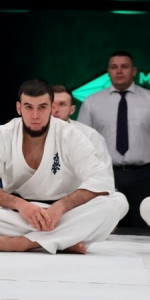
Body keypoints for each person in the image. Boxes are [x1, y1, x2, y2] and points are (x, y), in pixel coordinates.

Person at [0, 79, 120, 254]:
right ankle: (61, 240)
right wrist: (20, 205)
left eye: (42, 107)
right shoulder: (3, 134)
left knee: (109, 208)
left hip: (62, 215)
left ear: (52, 108)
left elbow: (101, 179)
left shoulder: (70, 134)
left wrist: (61, 206)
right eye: (28, 107)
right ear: (19, 108)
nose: (35, 115)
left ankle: (23, 243)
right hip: (19, 214)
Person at [77, 51, 150, 228]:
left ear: (134, 70)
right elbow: (82, 142)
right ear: (108, 71)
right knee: (108, 229)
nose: (119, 71)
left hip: (144, 176)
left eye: (124, 67)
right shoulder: (91, 102)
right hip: (106, 175)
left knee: (144, 228)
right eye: (114, 67)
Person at [53, 85, 128, 221]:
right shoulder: (30, 133)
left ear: (72, 109)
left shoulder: (90, 135)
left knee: (119, 201)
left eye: (62, 104)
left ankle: (77, 226)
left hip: (79, 202)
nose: (56, 109)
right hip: (41, 202)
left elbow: (105, 181)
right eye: (51, 104)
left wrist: (69, 202)